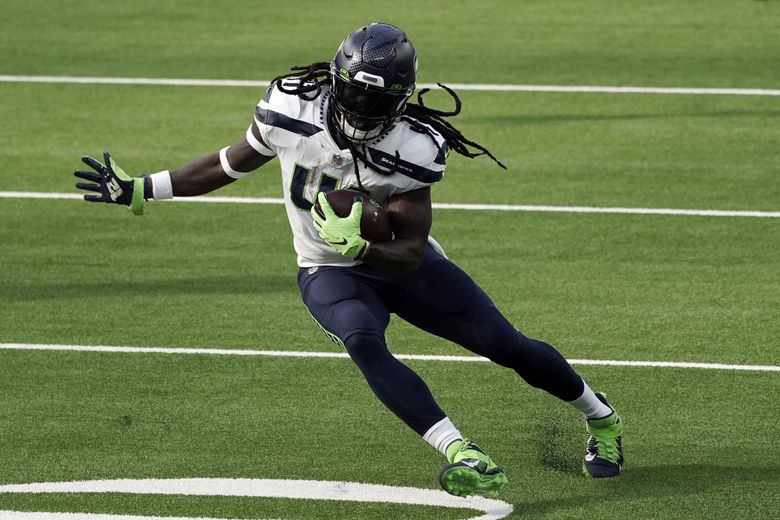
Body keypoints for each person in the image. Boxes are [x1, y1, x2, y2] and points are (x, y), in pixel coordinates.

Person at [74, 22, 624, 497]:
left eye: (377, 101)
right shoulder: (292, 108)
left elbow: (410, 248)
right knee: (362, 339)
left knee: (508, 346)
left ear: (402, 99)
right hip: (326, 270)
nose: (361, 110)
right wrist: (144, 188)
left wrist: (366, 246)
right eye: (354, 95)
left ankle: (601, 419)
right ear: (336, 83)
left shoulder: (416, 145)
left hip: (396, 264)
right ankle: (460, 452)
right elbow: (228, 163)